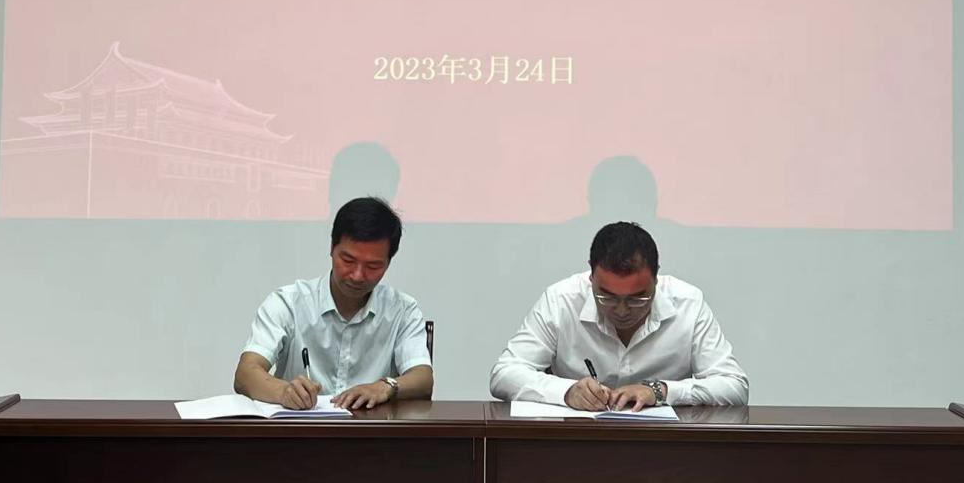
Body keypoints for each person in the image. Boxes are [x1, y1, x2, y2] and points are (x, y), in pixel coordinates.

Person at [490, 221, 748, 410]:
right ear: (591, 277)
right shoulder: (562, 300)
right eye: (607, 297)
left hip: (664, 447)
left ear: (656, 279)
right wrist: (567, 391)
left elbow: (734, 386)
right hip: (576, 443)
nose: (622, 310)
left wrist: (660, 391)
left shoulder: (688, 303)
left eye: (638, 298)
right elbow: (504, 374)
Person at [234, 196, 433, 409]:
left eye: (373, 266)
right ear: (332, 248)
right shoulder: (289, 303)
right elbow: (245, 374)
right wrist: (284, 392)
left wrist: (385, 386)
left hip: (372, 428)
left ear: (388, 263)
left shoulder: (402, 310)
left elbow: (423, 378)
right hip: (299, 428)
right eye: (348, 260)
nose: (357, 275)